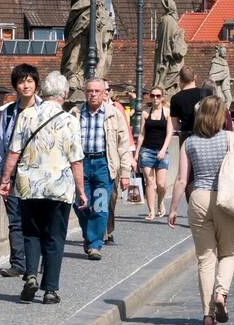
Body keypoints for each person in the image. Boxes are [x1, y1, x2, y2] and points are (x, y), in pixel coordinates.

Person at [0, 71, 86, 304]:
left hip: (29, 186)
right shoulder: (70, 120)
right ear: (64, 94)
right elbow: (76, 159)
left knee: (31, 233)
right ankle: (50, 290)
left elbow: (13, 152)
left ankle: (30, 276)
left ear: (42, 92)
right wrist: (81, 191)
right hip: (59, 187)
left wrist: (5, 180)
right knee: (55, 237)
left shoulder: (26, 115)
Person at [168, 94, 234, 325]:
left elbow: (182, 179)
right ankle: (221, 294)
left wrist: (173, 209)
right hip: (226, 198)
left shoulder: (189, 142)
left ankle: (207, 314)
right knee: (228, 253)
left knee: (205, 258)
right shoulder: (231, 138)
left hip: (199, 199)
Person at [70, 77, 131, 260]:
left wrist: (126, 172)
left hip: (104, 164)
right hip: (81, 164)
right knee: (80, 204)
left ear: (104, 93)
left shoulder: (113, 114)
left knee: (101, 205)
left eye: (97, 91)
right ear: (85, 93)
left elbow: (123, 144)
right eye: (90, 91)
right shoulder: (75, 113)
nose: (93, 94)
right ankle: (90, 236)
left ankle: (94, 244)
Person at [0, 64, 39, 277]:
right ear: (16, 86)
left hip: (37, 174)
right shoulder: (10, 112)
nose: (25, 85)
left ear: (36, 84)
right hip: (13, 173)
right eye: (22, 81)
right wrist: (0, 173)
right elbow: (2, 143)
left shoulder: (43, 110)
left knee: (36, 220)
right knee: (15, 220)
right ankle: (18, 264)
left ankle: (34, 262)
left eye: (29, 81)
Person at [103, 79, 135, 243]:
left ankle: (108, 228)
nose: (105, 92)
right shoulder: (87, 111)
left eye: (107, 89)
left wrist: (130, 160)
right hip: (97, 162)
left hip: (114, 161)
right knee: (98, 198)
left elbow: (126, 134)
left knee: (112, 197)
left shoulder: (117, 109)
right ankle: (100, 232)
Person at [137, 86, 174, 221]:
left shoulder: (167, 113)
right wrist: (136, 153)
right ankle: (151, 211)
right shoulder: (146, 113)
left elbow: (170, 133)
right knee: (149, 181)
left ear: (162, 97)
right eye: (153, 96)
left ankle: (160, 202)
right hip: (147, 150)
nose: (155, 98)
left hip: (162, 151)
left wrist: (164, 149)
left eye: (158, 96)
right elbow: (141, 134)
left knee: (161, 184)